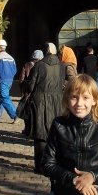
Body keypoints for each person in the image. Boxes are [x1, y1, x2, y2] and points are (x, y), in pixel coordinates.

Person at [28, 43, 64, 173]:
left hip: (40, 102)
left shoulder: (39, 65)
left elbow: (31, 85)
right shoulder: (62, 66)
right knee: (55, 133)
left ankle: (40, 166)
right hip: (57, 102)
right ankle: (54, 163)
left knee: (40, 133)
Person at [0, 39, 18, 124]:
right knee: (0, 98)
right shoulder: (11, 58)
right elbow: (15, 70)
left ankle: (15, 115)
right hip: (10, 81)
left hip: (1, 80)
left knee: (4, 97)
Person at [19, 49, 44, 138]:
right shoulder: (42, 66)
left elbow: (21, 79)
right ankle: (34, 130)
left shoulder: (26, 65)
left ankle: (27, 129)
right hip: (37, 92)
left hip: (27, 92)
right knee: (36, 113)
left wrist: (23, 90)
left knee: (27, 113)